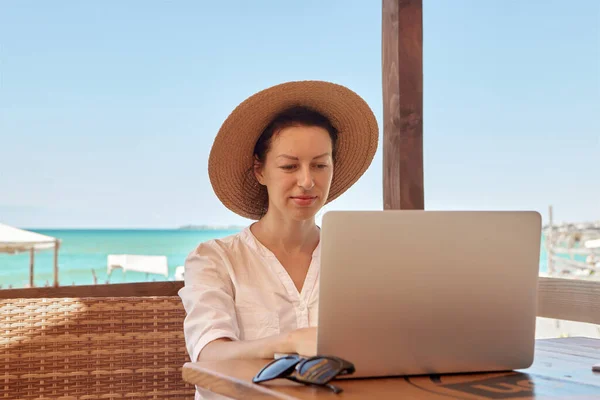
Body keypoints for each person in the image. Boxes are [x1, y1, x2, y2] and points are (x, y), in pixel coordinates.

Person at [178, 80, 378, 398]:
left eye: (320, 165)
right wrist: (289, 343)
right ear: (260, 170)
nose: (307, 181)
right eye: (289, 166)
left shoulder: (356, 262)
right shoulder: (215, 259)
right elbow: (208, 356)